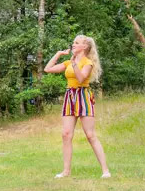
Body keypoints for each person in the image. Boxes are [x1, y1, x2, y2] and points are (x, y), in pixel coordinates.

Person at [44, 35, 111, 179]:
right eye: (73, 42)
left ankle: (105, 170)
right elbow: (47, 69)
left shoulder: (88, 62)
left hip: (83, 96)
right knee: (66, 134)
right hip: (70, 96)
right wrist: (58, 54)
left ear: (85, 47)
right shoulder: (68, 62)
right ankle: (66, 171)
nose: (73, 45)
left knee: (90, 135)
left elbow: (81, 79)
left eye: (76, 43)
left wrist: (74, 63)